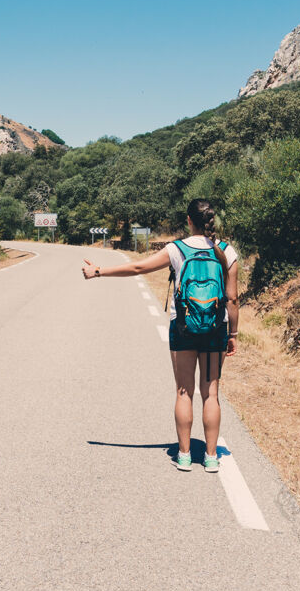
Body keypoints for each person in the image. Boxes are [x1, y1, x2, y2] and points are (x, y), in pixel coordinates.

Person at [81, 199, 238, 473]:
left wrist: (99, 271)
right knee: (211, 393)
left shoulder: (176, 249)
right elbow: (233, 298)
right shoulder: (227, 252)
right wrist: (233, 333)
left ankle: (186, 455)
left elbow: (139, 268)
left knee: (183, 392)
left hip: (183, 328)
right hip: (216, 329)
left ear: (189, 221)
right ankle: (212, 457)